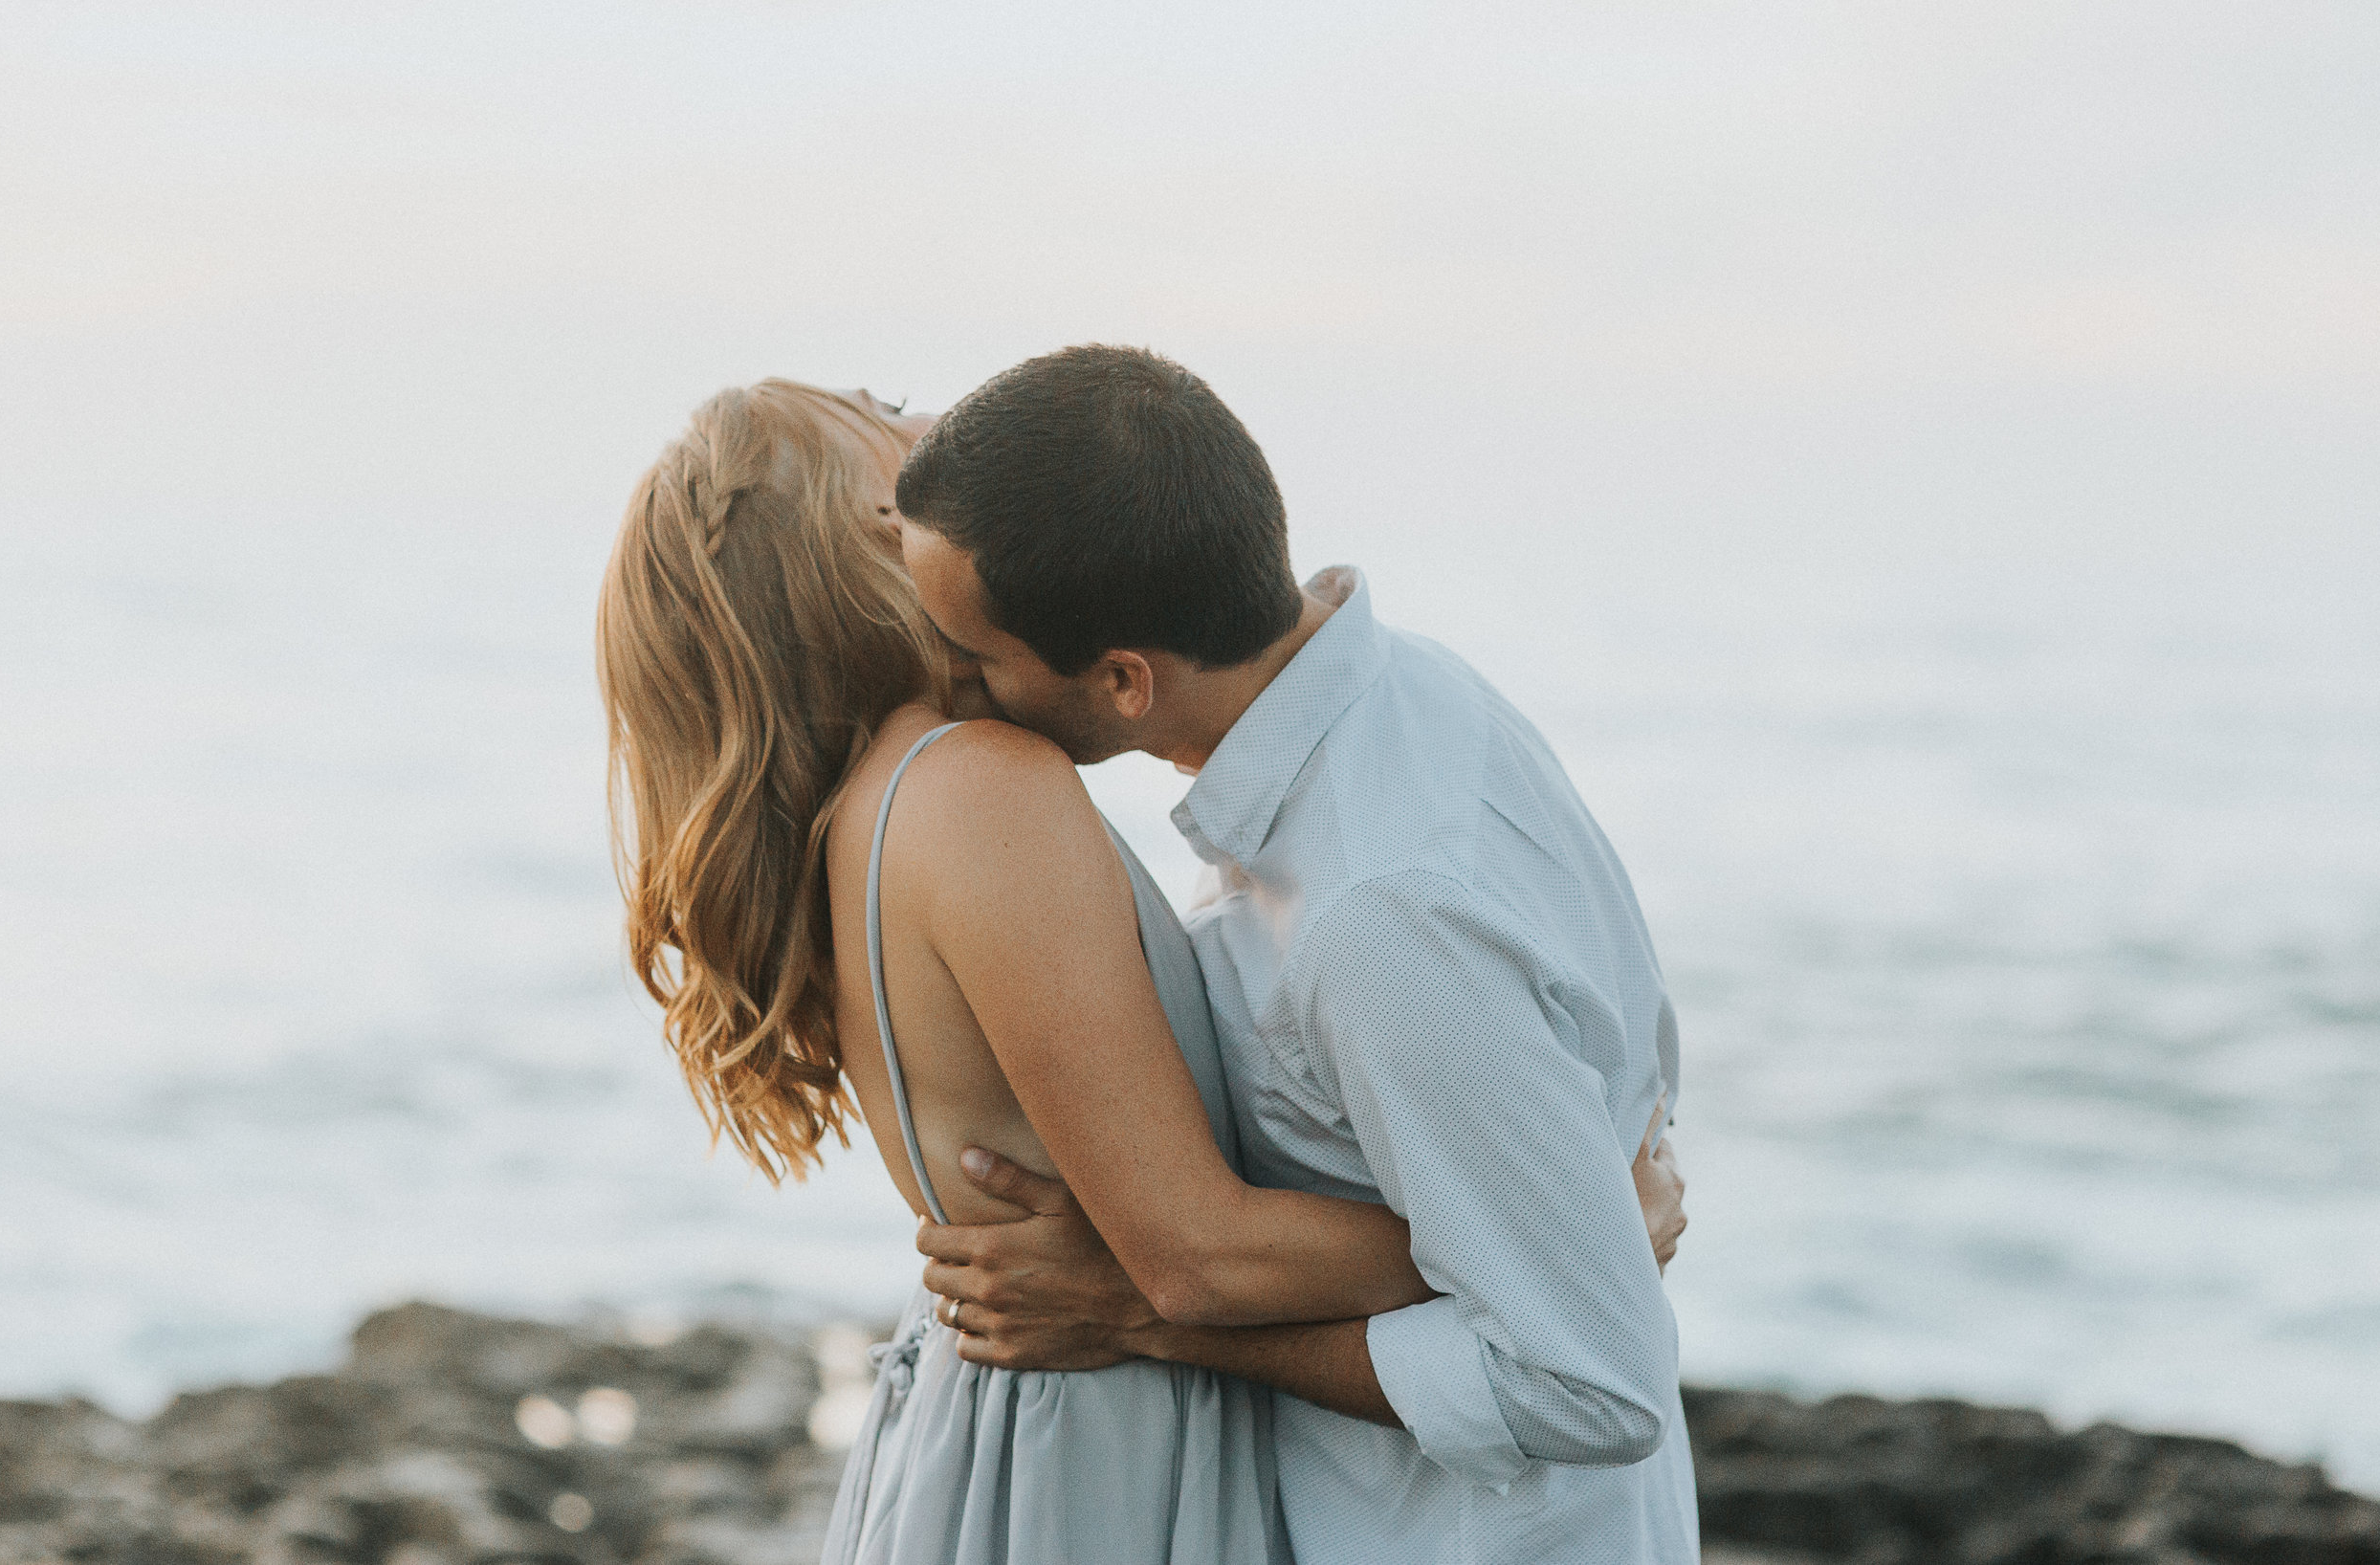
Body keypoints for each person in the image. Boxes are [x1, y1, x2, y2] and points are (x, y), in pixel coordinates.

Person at [595, 377, 1686, 1565]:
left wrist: (1559, 1229)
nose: (929, 427)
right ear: (872, 549)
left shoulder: (911, 799)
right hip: (1115, 1437)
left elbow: (1556, 1349)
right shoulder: (980, 789)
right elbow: (1195, 1253)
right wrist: (1584, 1223)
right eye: (885, 422)